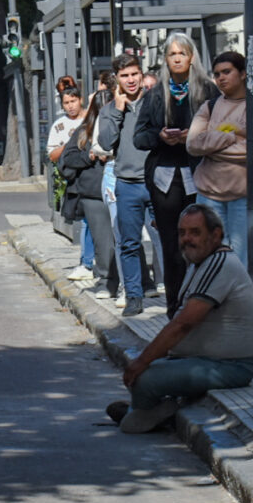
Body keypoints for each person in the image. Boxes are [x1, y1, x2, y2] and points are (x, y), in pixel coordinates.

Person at [106, 204, 253, 434]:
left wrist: (141, 362)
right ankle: (152, 410)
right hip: (203, 359)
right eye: (182, 233)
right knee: (146, 370)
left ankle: (141, 416)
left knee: (146, 378)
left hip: (231, 366)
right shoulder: (200, 262)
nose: (187, 239)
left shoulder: (219, 264)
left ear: (215, 235)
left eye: (195, 232)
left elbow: (183, 323)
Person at [134, 32, 220, 315]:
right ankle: (175, 306)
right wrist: (160, 136)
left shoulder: (208, 92)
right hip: (165, 179)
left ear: (192, 57)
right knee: (172, 244)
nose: (177, 58)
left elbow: (221, 130)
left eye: (182, 53)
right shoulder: (156, 94)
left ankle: (201, 302)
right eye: (172, 54)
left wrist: (193, 138)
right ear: (166, 60)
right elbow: (140, 137)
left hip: (199, 174)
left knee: (201, 241)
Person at [98, 53, 158, 317]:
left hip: (159, 181)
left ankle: (178, 297)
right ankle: (134, 296)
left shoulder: (156, 101)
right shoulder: (110, 110)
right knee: (129, 243)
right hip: (127, 185)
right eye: (125, 76)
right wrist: (119, 112)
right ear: (117, 79)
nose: (131, 80)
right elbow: (106, 142)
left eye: (135, 74)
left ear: (142, 75)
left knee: (168, 241)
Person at [186, 51, 248, 269]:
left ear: (242, 74)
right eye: (217, 73)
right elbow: (193, 145)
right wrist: (233, 136)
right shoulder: (209, 107)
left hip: (242, 195)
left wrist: (211, 147)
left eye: (227, 72)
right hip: (208, 194)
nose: (221, 77)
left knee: (240, 260)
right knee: (206, 258)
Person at [58, 90, 119, 299]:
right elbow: (67, 160)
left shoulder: (123, 125)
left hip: (122, 189)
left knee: (127, 239)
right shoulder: (85, 130)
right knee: (103, 242)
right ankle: (106, 280)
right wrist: (90, 156)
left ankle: (138, 283)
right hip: (94, 193)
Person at [47, 84, 93, 280]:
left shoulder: (90, 119)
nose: (71, 106)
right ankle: (86, 261)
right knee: (84, 220)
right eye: (66, 103)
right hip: (74, 178)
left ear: (80, 100)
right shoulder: (59, 126)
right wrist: (70, 146)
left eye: (73, 101)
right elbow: (52, 154)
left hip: (93, 175)